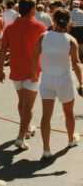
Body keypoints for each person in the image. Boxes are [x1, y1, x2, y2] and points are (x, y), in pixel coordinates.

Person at [31, 8, 82, 159]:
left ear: (53, 20)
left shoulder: (43, 37)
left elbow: (34, 57)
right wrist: (82, 83)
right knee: (69, 113)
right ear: (68, 22)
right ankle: (71, 139)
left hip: (47, 80)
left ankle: (46, 150)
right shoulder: (70, 40)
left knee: (46, 116)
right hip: (64, 80)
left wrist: (35, 74)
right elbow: (76, 64)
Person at [0, 0, 47, 150]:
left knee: (22, 103)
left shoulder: (10, 28)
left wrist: (0, 69)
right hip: (33, 71)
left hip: (16, 70)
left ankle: (27, 128)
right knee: (27, 107)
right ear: (32, 9)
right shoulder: (40, 27)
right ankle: (21, 135)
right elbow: (46, 50)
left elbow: (2, 49)